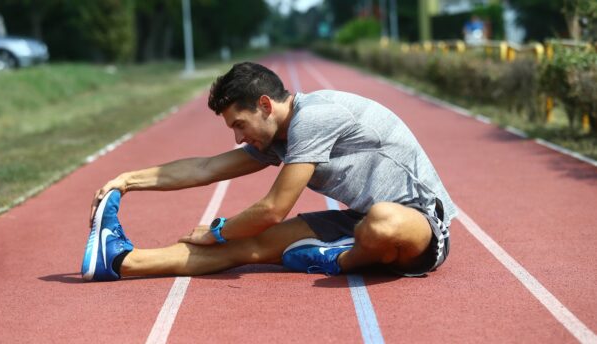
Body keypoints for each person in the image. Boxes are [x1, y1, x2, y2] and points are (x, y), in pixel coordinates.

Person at [81, 62, 457, 282]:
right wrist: (127, 180)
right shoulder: (277, 136)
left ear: (265, 105)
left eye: (240, 125)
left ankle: (340, 259)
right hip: (354, 221)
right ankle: (119, 262)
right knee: (248, 247)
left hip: (421, 224)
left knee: (381, 222)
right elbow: (207, 167)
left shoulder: (314, 118)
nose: (238, 137)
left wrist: (217, 231)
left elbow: (274, 208)